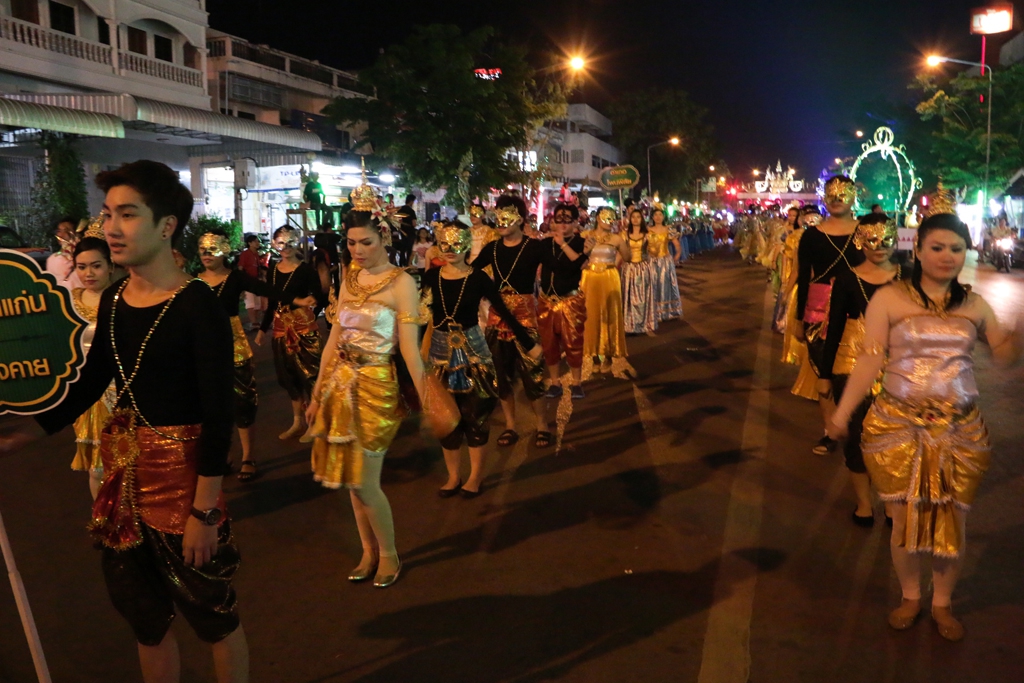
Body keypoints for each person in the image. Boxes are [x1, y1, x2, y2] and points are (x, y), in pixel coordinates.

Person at [1, 160, 249, 682]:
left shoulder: (198, 305)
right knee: (146, 619)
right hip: (123, 486)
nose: (110, 227)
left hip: (183, 487)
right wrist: (30, 430)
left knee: (213, 616)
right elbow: (90, 382)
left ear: (166, 225)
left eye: (128, 214)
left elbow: (218, 415)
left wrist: (204, 512)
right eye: (108, 213)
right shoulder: (114, 299)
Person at [827, 210, 1021, 641]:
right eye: (937, 247)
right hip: (897, 426)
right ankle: (911, 596)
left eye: (956, 248)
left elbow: (1004, 356)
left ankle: (943, 603)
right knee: (903, 518)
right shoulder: (889, 299)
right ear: (916, 249)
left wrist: (1018, 333)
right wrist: (841, 414)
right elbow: (870, 360)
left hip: (960, 430)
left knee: (954, 520)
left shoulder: (974, 304)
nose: (947, 256)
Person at [304, 186, 426, 588]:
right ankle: (368, 551)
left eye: (366, 242)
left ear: (385, 237)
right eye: (351, 242)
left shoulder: (402, 283)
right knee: (352, 481)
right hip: (339, 385)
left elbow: (409, 350)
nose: (357, 250)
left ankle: (389, 554)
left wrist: (430, 398)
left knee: (365, 481)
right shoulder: (350, 277)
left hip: (376, 385)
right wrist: (317, 391)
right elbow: (333, 339)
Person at [422, 221, 543, 497]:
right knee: (446, 418)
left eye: (456, 243)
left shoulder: (478, 278)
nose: (450, 249)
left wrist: (528, 343)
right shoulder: (431, 278)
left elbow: (503, 311)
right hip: (440, 355)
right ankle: (453, 476)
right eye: (445, 243)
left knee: (475, 415)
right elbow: (417, 314)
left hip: (474, 355)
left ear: (467, 245)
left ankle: (475, 477)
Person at [818, 215, 901, 526]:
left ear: (896, 238)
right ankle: (864, 503)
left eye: (885, 239)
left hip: (900, 368)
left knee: (895, 438)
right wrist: (824, 375)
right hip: (853, 366)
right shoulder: (846, 279)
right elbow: (834, 330)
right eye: (871, 240)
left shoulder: (908, 276)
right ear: (859, 241)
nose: (879, 246)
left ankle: (891, 502)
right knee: (857, 437)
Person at [472, 195, 552, 449]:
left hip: (525, 316)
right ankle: (510, 425)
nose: (500, 221)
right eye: (497, 216)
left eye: (506, 216)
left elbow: (556, 267)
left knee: (532, 374)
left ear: (519, 219)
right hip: (497, 317)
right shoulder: (492, 249)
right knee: (500, 375)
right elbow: (471, 272)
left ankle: (542, 425)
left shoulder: (534, 247)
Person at [198, 231, 274, 482]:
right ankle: (223, 455)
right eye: (203, 249)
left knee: (243, 402)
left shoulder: (235, 278)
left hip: (234, 346)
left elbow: (264, 289)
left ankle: (248, 456)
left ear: (224, 251)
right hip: (204, 350)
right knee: (210, 407)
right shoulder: (193, 282)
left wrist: (293, 295)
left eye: (212, 249)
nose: (206, 254)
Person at [796, 176, 864, 454]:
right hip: (818, 312)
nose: (837, 199)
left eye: (842, 194)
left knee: (858, 373)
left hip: (858, 310)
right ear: (824, 198)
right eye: (831, 194)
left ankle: (862, 426)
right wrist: (798, 319)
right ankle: (830, 430)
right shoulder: (811, 235)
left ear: (853, 197)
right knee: (824, 372)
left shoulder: (866, 232)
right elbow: (804, 277)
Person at [255, 226, 323, 440]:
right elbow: (272, 301)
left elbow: (319, 296)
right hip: (281, 329)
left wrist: (310, 310)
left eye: (289, 243)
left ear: (297, 243)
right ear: (275, 244)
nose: (285, 247)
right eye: (281, 243)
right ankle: (297, 421)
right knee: (288, 376)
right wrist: (262, 329)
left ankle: (314, 423)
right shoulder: (273, 269)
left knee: (309, 374)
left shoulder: (306, 270)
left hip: (303, 329)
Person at [68, 234, 117, 499]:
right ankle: (102, 518)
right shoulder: (68, 303)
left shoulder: (126, 297)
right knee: (97, 468)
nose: (88, 273)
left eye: (96, 266)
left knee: (129, 462)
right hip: (87, 394)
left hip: (125, 390)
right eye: (82, 267)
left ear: (110, 265)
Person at [537, 203, 590, 400]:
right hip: (546, 301)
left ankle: (576, 383)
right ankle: (555, 382)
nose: (562, 224)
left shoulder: (581, 243)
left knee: (573, 342)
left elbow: (577, 266)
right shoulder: (545, 243)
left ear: (575, 223)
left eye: (568, 220)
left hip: (570, 300)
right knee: (549, 344)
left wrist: (563, 244)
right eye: (558, 219)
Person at [580, 207, 631, 374]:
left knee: (610, 314)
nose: (610, 221)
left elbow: (628, 257)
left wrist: (624, 244)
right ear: (597, 218)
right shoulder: (585, 236)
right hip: (590, 278)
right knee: (590, 314)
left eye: (612, 219)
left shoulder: (617, 238)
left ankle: (608, 354)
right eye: (606, 218)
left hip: (609, 277)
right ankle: (594, 355)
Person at [622, 208, 657, 336]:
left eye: (638, 217)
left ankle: (645, 324)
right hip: (629, 268)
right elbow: (621, 252)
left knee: (643, 297)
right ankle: (629, 324)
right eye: (633, 217)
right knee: (629, 296)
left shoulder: (647, 234)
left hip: (643, 268)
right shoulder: (624, 234)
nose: (635, 219)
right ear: (630, 219)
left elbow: (653, 252)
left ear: (642, 219)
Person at [647, 206, 683, 322]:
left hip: (664, 261)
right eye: (655, 215)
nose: (658, 217)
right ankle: (653, 312)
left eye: (660, 215)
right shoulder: (647, 230)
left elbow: (677, 245)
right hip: (651, 261)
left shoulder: (668, 230)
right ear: (652, 217)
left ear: (663, 217)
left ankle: (666, 311)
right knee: (652, 285)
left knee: (664, 285)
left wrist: (676, 257)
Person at [46, 215, 83, 290]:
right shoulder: (52, 259)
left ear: (77, 233)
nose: (60, 235)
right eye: (59, 231)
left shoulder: (84, 258)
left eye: (66, 231)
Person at [238, 234, 266, 331]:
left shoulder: (256, 254)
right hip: (248, 281)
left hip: (256, 280)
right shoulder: (245, 254)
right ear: (249, 243)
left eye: (258, 241)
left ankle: (255, 321)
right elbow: (240, 268)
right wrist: (241, 281)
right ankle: (254, 322)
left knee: (257, 303)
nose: (258, 243)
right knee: (250, 303)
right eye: (255, 241)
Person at [394, 193, 418, 267]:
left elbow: (396, 220)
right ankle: (408, 264)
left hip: (402, 231)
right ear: (411, 201)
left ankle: (401, 263)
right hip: (410, 231)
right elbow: (414, 224)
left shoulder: (400, 209)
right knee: (409, 248)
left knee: (403, 248)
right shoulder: (411, 211)